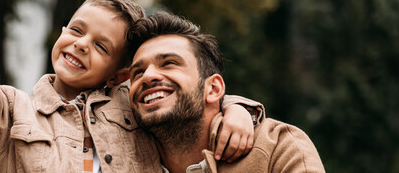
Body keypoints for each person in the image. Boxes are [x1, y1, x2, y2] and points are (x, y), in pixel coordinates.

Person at [0, 0, 264, 172]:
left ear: (119, 75)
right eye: (76, 31)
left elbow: (187, 102)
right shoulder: (12, 113)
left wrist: (237, 110)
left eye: (101, 47)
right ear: (62, 31)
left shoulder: (135, 108)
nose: (81, 45)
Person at [127, 11, 326, 173]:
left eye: (169, 63)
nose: (147, 76)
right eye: (137, 72)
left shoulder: (279, 148)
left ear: (213, 89)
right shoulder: (116, 155)